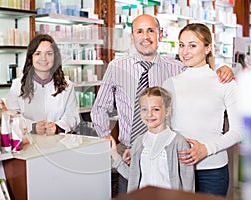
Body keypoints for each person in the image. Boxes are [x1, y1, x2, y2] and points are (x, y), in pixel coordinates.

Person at [90, 14, 234, 195]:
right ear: (132, 37)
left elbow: (201, 76)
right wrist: (106, 138)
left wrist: (224, 69)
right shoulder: (116, 67)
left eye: (151, 30)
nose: (145, 37)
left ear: (160, 34)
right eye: (139, 31)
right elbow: (100, 108)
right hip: (129, 151)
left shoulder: (177, 67)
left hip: (168, 154)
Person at [162, 23, 245, 196]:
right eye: (182, 45)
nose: (185, 52)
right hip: (179, 168)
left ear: (208, 48)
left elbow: (239, 130)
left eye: (193, 45)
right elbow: (165, 130)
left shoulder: (224, 82)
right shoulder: (170, 84)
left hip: (213, 171)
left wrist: (206, 149)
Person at [105, 86, 195, 193]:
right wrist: (114, 154)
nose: (149, 114)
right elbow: (133, 176)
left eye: (156, 109)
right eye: (144, 109)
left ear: (167, 111)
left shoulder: (178, 142)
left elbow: (188, 181)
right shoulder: (138, 143)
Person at [6, 34, 80, 135]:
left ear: (55, 57)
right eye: (38, 54)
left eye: (49, 54)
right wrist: (32, 126)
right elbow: (12, 117)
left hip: (59, 144)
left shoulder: (67, 86)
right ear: (31, 57)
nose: (43, 58)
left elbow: (72, 117)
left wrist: (57, 127)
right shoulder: (17, 86)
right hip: (29, 145)